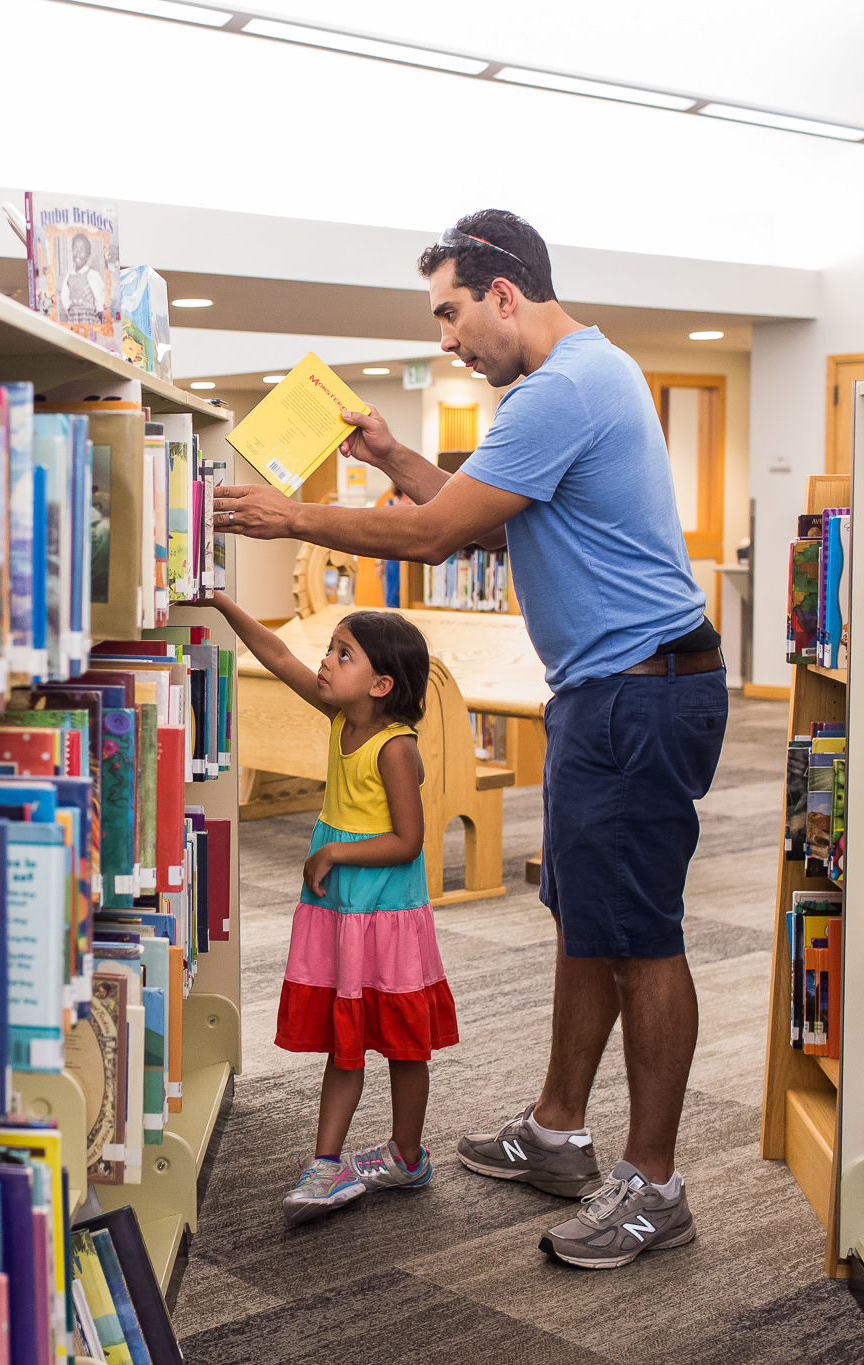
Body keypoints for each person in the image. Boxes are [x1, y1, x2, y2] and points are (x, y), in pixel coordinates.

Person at [213, 208, 727, 1270]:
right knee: (586, 926)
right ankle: (555, 1130)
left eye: (450, 313)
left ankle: (655, 1186)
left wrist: (293, 516)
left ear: (504, 293)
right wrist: (393, 453)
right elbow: (485, 521)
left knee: (640, 941)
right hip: (607, 692)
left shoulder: (562, 387)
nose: (446, 339)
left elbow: (436, 534)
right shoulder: (578, 380)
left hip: (638, 696)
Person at [202, 592, 458, 1226]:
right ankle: (327, 1160)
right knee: (345, 1038)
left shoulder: (395, 747)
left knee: (402, 1042)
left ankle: (406, 1154)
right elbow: (280, 654)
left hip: (387, 911)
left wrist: (335, 857)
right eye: (331, 648)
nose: (325, 661)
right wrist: (226, 605)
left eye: (343, 654)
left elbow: (408, 840)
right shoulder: (341, 717)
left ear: (380, 683)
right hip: (342, 911)